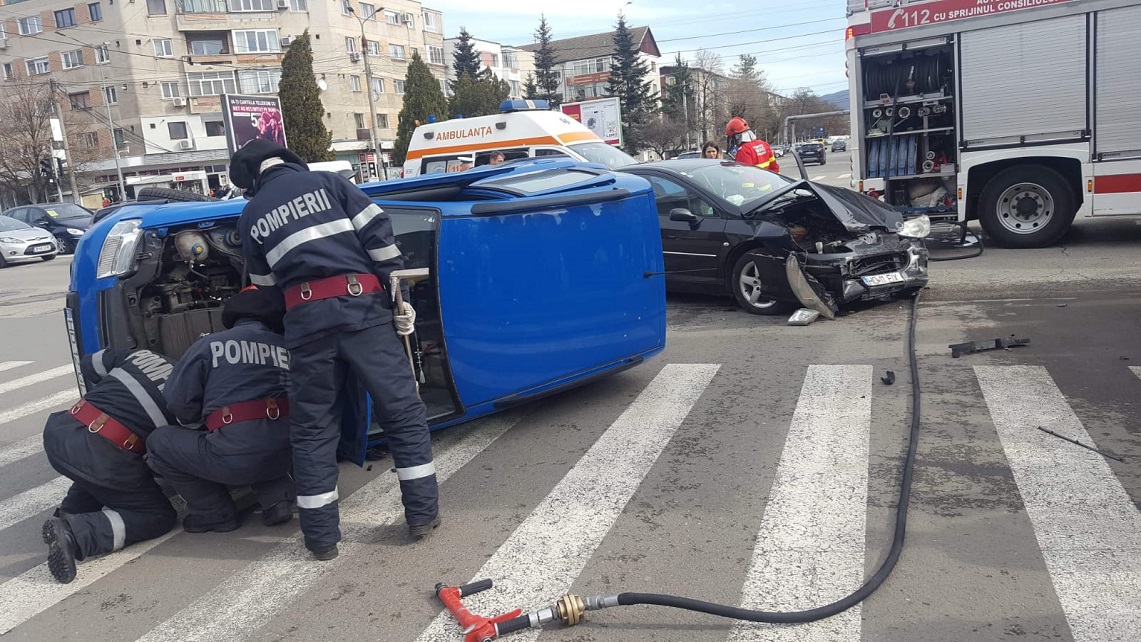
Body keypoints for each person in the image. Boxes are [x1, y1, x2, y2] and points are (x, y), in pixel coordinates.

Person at [228, 139, 438, 562]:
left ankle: (321, 539)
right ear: (289, 161)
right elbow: (379, 235)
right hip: (363, 310)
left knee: (312, 430)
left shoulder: (251, 215)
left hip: (306, 324)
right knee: (401, 412)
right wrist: (395, 293)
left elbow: (266, 289)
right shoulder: (329, 182)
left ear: (251, 182)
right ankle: (421, 516)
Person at [145, 286, 295, 534]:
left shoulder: (209, 345)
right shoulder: (288, 347)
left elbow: (177, 402)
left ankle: (213, 513)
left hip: (235, 459)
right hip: (289, 456)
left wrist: (204, 419)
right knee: (262, 432)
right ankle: (278, 499)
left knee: (159, 442)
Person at [40, 349, 178, 584]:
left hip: (61, 431)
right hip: (102, 455)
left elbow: (89, 363)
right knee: (158, 516)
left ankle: (72, 512)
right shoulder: (189, 389)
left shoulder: (143, 355)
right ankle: (78, 533)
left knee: (102, 474)